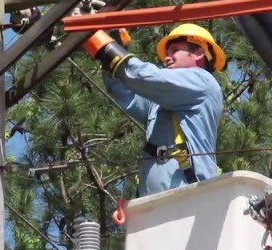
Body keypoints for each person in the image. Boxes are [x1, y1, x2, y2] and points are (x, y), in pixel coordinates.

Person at [85, 22, 225, 197]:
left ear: (198, 52)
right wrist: (107, 57)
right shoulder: (161, 101)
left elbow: (145, 77)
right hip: (156, 203)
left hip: (190, 197)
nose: (166, 57)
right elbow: (126, 94)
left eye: (174, 50)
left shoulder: (203, 82)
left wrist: (109, 49)